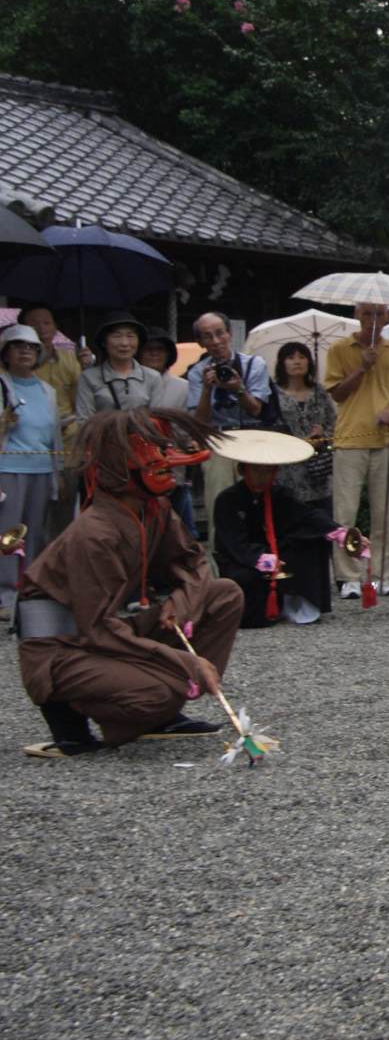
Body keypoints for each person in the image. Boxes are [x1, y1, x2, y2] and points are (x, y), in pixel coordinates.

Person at [16, 408, 242, 758]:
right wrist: (185, 663)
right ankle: (69, 708)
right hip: (64, 646)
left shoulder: (156, 509)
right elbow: (97, 628)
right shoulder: (94, 534)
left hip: (113, 628)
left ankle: (159, 714)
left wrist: (181, 604)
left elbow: (193, 562)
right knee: (161, 692)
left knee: (224, 595)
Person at [210, 431, 349, 627]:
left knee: (312, 542)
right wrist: (261, 559)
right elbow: (234, 543)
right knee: (246, 579)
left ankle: (302, 604)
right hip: (242, 559)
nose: (262, 477)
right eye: (256, 470)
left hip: (273, 550)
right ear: (244, 470)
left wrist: (339, 532)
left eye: (267, 471)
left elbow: (307, 515)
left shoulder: (280, 494)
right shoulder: (227, 499)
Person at [322, 303, 389, 599]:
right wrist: (363, 366)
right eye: (367, 314)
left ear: (388, 318)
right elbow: (337, 392)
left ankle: (381, 575)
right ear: (358, 316)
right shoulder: (339, 348)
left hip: (384, 437)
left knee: (384, 512)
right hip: (350, 437)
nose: (373, 320)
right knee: (345, 512)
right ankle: (348, 576)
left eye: (379, 314)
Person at [186, 312, 273, 544]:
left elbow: (256, 409)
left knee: (256, 501)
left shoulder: (254, 364)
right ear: (200, 343)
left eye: (219, 333)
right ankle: (220, 559)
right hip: (217, 439)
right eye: (207, 336)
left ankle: (259, 558)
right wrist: (206, 389)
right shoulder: (197, 372)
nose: (215, 341)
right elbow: (200, 421)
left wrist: (238, 388)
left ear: (229, 334)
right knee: (219, 502)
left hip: (251, 437)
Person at [0, 325, 60, 615]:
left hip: (41, 468)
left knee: (35, 532)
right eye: (18, 346)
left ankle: (30, 587)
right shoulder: (1, 384)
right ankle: (6, 594)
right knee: (8, 534)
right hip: (8, 467)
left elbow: (54, 436)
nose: (25, 352)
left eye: (31, 347)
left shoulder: (47, 390)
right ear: (6, 353)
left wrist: (56, 474)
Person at [19, 305, 82, 537]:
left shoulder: (69, 359)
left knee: (64, 510)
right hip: (32, 446)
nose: (41, 328)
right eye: (33, 324)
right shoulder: (17, 363)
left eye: (46, 322)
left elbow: (79, 400)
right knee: (31, 514)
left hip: (67, 445)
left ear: (55, 327)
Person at [271, 341, 336, 513]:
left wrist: (323, 435)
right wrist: (301, 443)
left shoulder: (319, 392)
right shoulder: (274, 394)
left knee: (322, 521)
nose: (297, 361)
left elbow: (334, 423)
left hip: (318, 470)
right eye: (291, 358)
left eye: (302, 357)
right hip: (287, 469)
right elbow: (272, 430)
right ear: (282, 363)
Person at [138, 334, 194, 525]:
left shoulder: (183, 387)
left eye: (160, 349)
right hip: (137, 463)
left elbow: (187, 427)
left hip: (172, 463)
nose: (154, 353)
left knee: (174, 522)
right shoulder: (131, 384)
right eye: (148, 348)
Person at [75, 312, 165, 421]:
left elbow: (157, 420)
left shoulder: (153, 377)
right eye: (117, 336)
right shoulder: (89, 377)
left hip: (142, 437)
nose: (124, 343)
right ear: (104, 342)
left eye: (130, 336)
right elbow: (84, 421)